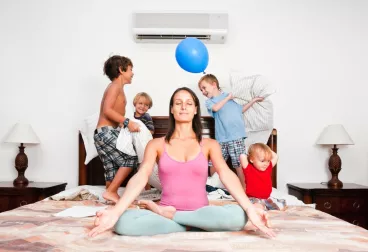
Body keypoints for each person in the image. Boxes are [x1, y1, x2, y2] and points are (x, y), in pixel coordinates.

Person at [89, 87, 275, 238]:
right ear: (172, 109)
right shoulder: (156, 145)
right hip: (177, 212)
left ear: (195, 109)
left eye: (189, 103)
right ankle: (190, 224)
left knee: (239, 217)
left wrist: (250, 208)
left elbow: (226, 174)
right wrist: (115, 211)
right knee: (123, 222)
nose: (183, 107)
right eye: (178, 103)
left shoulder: (210, 144)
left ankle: (176, 218)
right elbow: (141, 175)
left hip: (201, 213)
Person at [198, 74, 264, 189]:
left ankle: (244, 190)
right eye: (201, 90)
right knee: (214, 163)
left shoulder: (230, 97)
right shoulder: (210, 102)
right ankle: (207, 186)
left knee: (239, 164)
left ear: (214, 85)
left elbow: (241, 110)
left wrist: (253, 101)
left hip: (236, 136)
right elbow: (216, 108)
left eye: (204, 88)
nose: (203, 91)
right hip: (221, 138)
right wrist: (228, 98)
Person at [94, 55, 141, 204]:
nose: (133, 73)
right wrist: (127, 122)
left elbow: (113, 113)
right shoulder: (115, 86)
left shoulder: (118, 87)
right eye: (131, 69)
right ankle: (112, 191)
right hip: (105, 133)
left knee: (112, 169)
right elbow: (107, 110)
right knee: (130, 158)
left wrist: (122, 126)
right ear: (121, 70)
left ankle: (110, 199)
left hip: (103, 133)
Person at [240, 143, 284, 211]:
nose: (266, 163)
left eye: (268, 160)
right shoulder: (249, 169)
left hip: (266, 198)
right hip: (253, 198)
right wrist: (252, 153)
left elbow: (276, 156)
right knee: (258, 206)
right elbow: (242, 156)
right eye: (262, 161)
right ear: (252, 159)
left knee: (281, 204)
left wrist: (266, 150)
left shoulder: (268, 168)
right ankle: (260, 208)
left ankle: (266, 206)